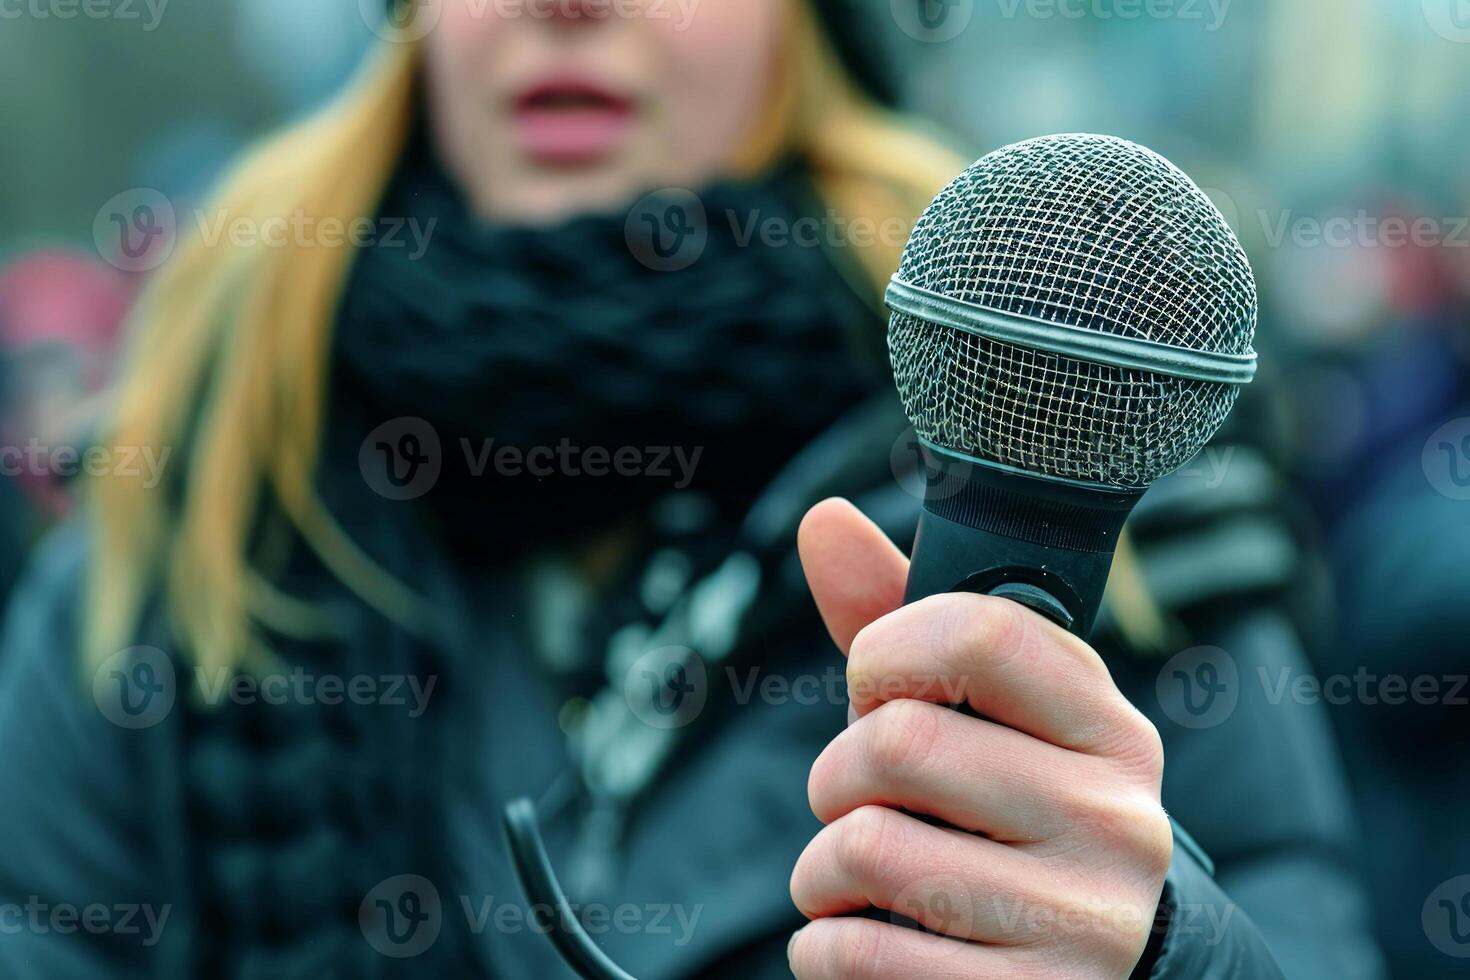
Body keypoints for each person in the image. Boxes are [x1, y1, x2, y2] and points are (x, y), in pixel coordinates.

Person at [0, 1, 1381, 977]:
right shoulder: (169, 545)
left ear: (809, 28)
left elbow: (1294, 919)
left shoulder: (1082, 477)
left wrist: (1153, 956)